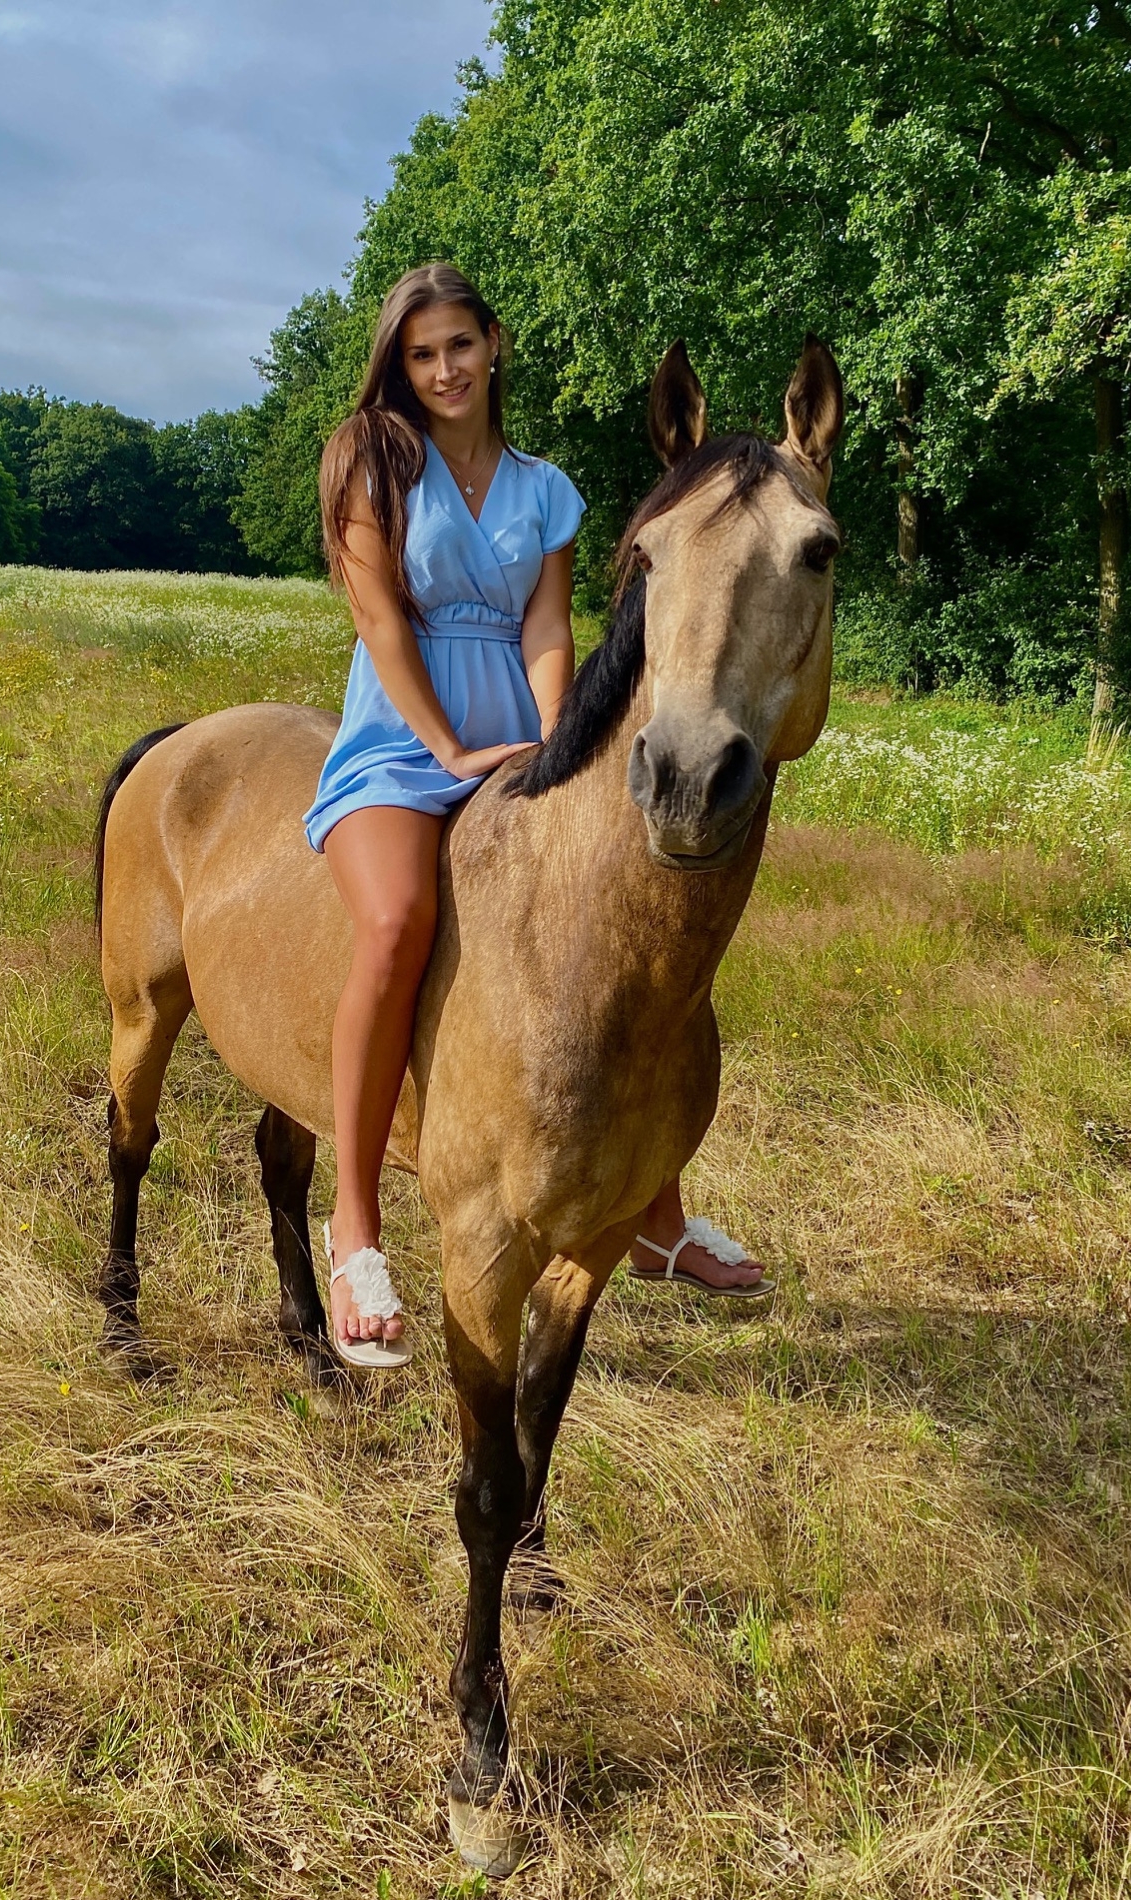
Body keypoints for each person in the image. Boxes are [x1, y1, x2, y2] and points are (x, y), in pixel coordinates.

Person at [305, 262, 771, 1367]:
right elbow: (381, 625)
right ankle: (356, 1227)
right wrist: (448, 750)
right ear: (398, 365)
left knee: (626, 945)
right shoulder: (369, 461)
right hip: (400, 741)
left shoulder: (543, 489)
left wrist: (558, 753)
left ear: (494, 343)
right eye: (419, 354)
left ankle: (654, 1219)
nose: (442, 369)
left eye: (458, 345)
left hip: (517, 736)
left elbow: (546, 631)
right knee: (394, 926)